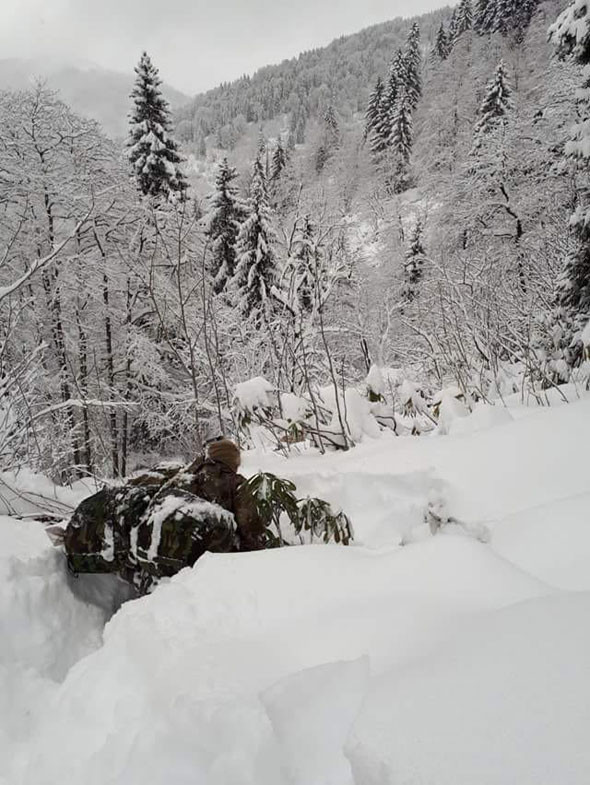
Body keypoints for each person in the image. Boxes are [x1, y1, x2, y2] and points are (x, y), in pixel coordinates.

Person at [62, 438, 266, 610]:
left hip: (148, 560)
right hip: (194, 570)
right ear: (232, 462)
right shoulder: (237, 484)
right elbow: (251, 530)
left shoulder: (179, 475)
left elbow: (134, 489)